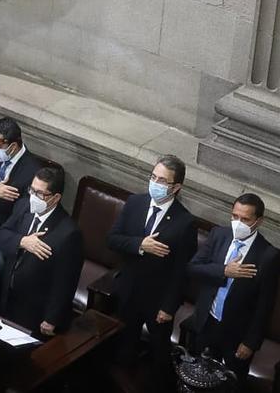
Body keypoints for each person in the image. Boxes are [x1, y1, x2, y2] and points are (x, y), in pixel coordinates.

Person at [107, 155, 197, 387]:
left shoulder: (185, 222)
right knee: (123, 347)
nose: (155, 183)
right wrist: (140, 244)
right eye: (153, 177)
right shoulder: (135, 202)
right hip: (128, 290)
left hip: (158, 302)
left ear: (176, 187)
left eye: (162, 180)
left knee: (159, 355)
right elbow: (113, 239)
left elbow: (182, 272)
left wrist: (169, 307)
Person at [186, 193, 280, 387]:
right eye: (235, 216)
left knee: (230, 384)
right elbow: (193, 268)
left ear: (258, 221)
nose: (238, 223)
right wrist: (224, 271)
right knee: (198, 378)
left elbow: (265, 305)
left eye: (245, 219)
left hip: (236, 335)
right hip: (206, 322)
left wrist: (250, 342)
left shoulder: (268, 256)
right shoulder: (219, 234)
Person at [0, 167, 83, 338]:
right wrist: (22, 241)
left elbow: (65, 281)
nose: (34, 197)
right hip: (7, 296)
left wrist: (52, 318)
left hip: (33, 308)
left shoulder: (69, 233)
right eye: (32, 190)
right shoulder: (23, 207)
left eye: (40, 194)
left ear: (56, 198)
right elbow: (0, 235)